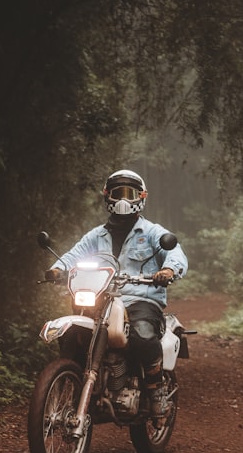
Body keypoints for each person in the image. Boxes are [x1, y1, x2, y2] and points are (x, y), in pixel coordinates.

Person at [45, 169, 188, 417]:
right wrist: (58, 269)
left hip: (140, 299)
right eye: (117, 193)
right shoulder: (95, 235)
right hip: (100, 298)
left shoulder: (153, 232)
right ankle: (72, 386)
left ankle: (155, 390)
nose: (123, 199)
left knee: (142, 337)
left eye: (129, 194)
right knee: (71, 337)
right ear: (106, 196)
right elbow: (74, 255)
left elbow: (175, 252)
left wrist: (168, 270)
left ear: (141, 197)